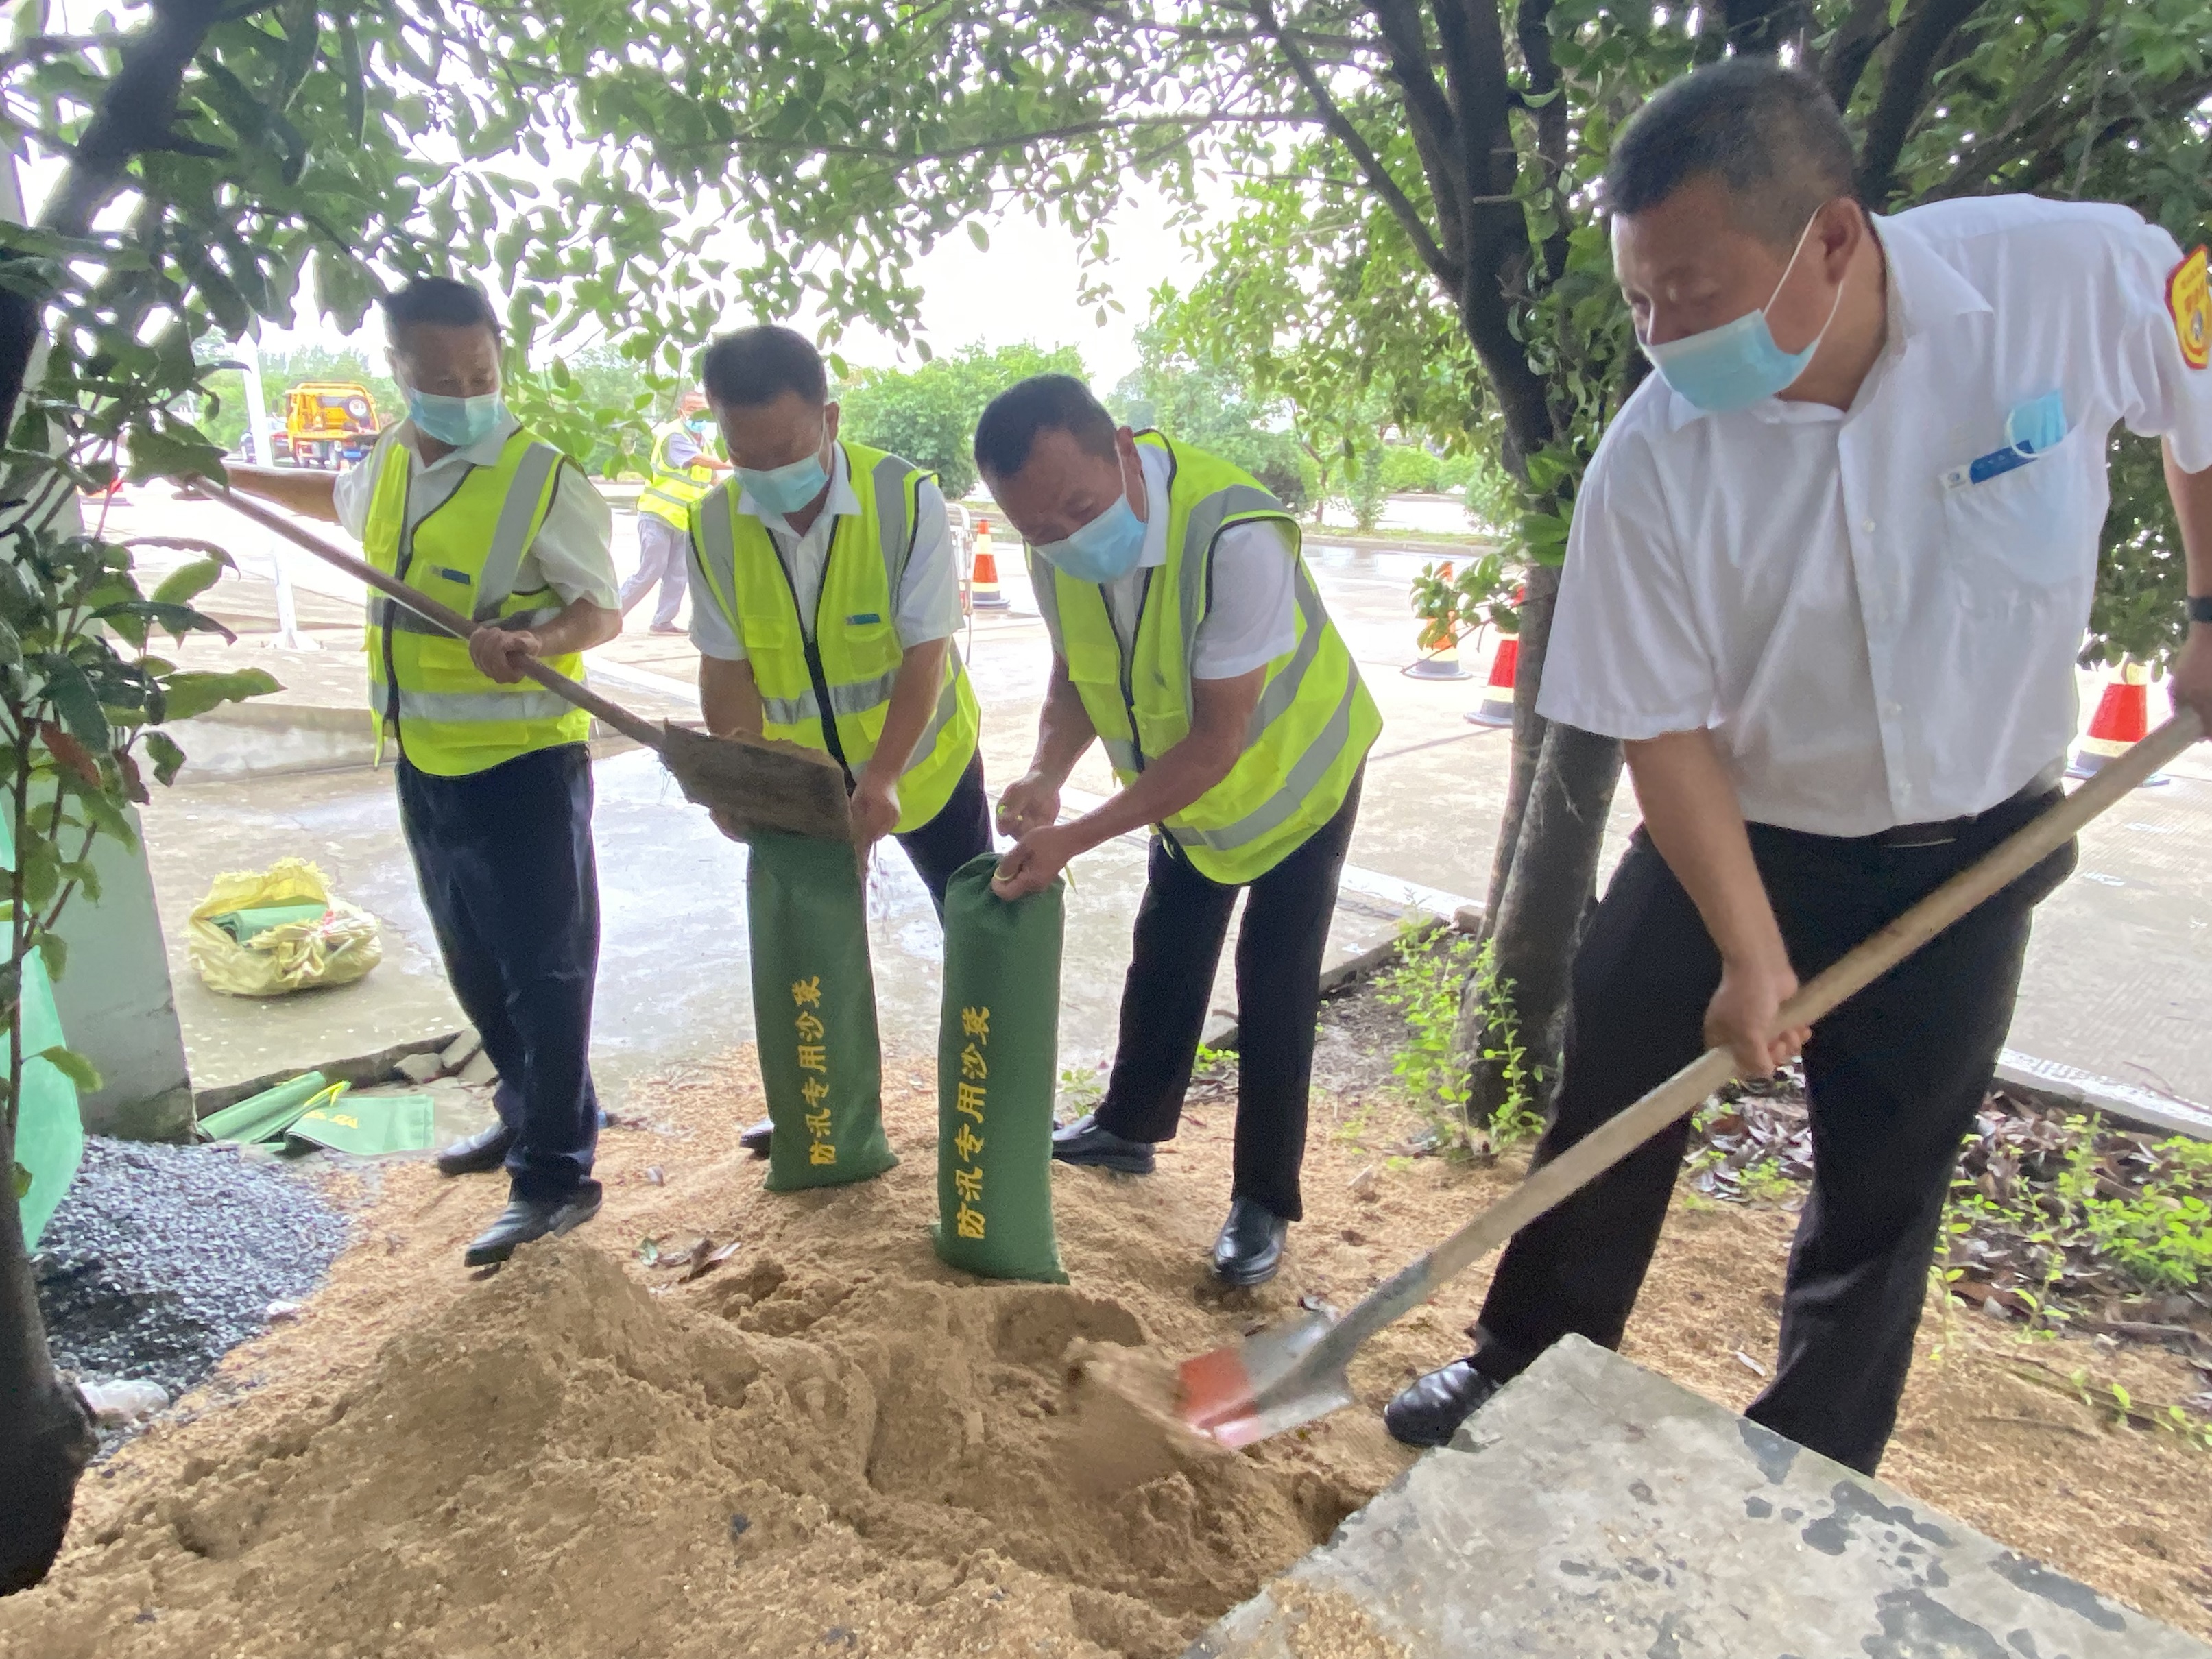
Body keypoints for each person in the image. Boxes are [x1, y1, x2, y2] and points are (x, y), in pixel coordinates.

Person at [1383, 60, 2212, 1473]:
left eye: (1691, 294)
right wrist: (1747, 951)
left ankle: (1811, 1457)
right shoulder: (1651, 461)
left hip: (1973, 846)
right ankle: (1520, 1362)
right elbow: (1663, 729)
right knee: (1614, 1080)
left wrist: (2205, 611)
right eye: (1637, 299)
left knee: (1888, 1173)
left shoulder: (2070, 275)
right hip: (1744, 826)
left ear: (1830, 237)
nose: (1661, 337)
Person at [225, 277, 624, 1268]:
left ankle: (555, 1175)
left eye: (480, 371)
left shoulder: (540, 478)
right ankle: (528, 1108)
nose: (465, 391)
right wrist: (227, 476)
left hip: (524, 765)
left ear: (500, 355)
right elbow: (336, 500)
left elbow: (600, 610)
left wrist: (536, 640)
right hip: (424, 756)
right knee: (474, 964)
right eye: (439, 376)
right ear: (396, 368)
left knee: (546, 973)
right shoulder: (391, 463)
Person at [978, 375, 1380, 1287]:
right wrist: (1046, 772)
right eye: (1036, 529)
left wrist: (1076, 836)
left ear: (1122, 449)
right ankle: (1128, 1126)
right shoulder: (1052, 547)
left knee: (1274, 981)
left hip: (1294, 778)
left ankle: (1263, 1199)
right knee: (1165, 949)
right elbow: (1078, 673)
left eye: (1079, 508)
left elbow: (1216, 739)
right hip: (1186, 797)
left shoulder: (1234, 535)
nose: (1064, 538)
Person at [683, 325, 991, 1158]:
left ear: (830, 419)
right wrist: (739, 775)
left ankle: (990, 1097)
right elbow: (726, 665)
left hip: (925, 767)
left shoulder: (905, 499)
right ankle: (823, 1104)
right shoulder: (713, 525)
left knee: (973, 923)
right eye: (744, 455)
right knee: (811, 941)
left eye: (785, 450)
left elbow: (924, 652)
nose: (766, 473)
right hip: (802, 783)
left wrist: (884, 776)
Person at [624, 391, 730, 632]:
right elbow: (699, 461)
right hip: (658, 514)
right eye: (692, 409)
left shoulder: (705, 442)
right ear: (681, 411)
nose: (698, 415)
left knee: (679, 573)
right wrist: (735, 462)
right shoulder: (673, 435)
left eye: (702, 410)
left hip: (684, 519)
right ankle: (613, 615)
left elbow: (711, 477)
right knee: (651, 569)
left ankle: (663, 621)